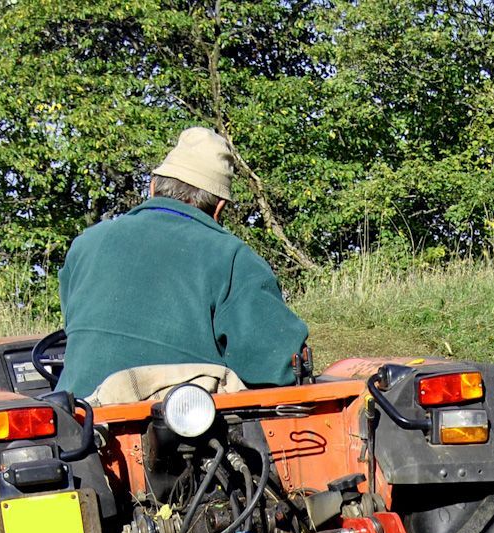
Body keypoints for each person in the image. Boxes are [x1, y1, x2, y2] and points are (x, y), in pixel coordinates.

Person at [55, 127, 310, 400]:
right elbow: (278, 366)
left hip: (80, 419)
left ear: (153, 187)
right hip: (180, 424)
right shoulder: (232, 256)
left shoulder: (87, 243)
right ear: (219, 207)